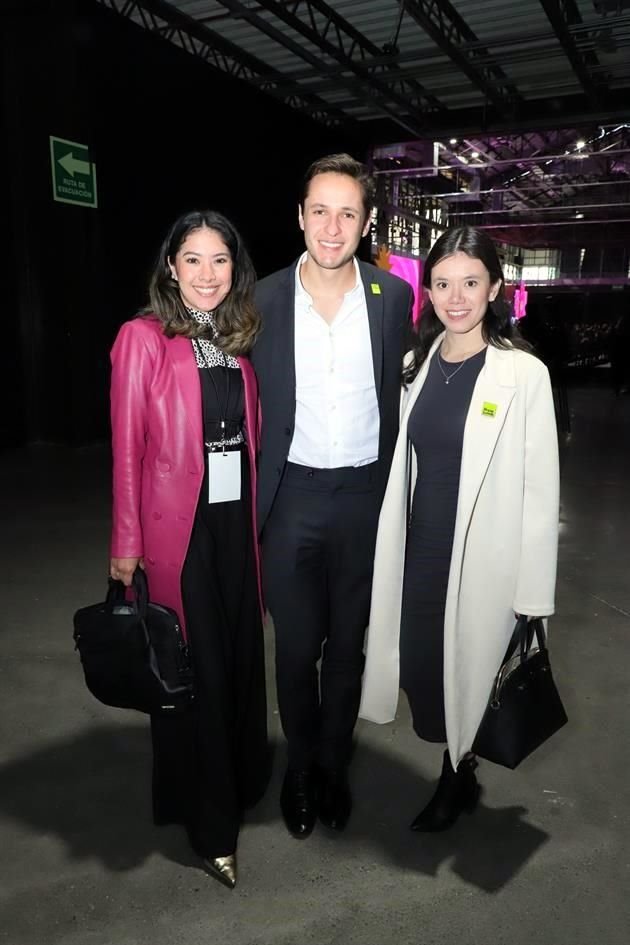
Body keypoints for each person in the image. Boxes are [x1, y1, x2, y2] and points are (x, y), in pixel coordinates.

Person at [360, 226, 560, 831]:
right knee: (423, 667)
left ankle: (456, 775)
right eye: (442, 283)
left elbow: (539, 490)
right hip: (422, 549)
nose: (455, 297)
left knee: (468, 671)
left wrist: (532, 596)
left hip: (486, 559)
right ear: (429, 291)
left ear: (494, 287)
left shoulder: (522, 375)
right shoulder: (414, 368)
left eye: (470, 283)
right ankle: (457, 762)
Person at [251, 153, 413, 838]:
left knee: (348, 644)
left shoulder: (393, 299)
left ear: (367, 221)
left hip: (361, 498)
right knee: (295, 648)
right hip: (290, 497)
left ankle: (332, 766)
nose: (332, 225)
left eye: (348, 212)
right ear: (299, 215)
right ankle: (297, 771)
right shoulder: (259, 300)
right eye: (320, 209)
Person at [109, 210, 268, 887]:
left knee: (233, 658)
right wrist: (126, 542)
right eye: (193, 259)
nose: (207, 274)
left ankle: (221, 784)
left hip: (234, 526)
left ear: (236, 270)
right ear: (171, 267)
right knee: (195, 669)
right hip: (180, 530)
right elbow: (127, 450)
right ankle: (212, 828)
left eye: (220, 260)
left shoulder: (232, 339)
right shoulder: (141, 338)